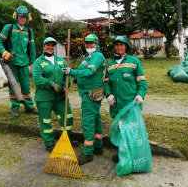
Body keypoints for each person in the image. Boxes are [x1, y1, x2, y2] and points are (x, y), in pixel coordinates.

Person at [62, 34, 106, 165]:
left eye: (91, 43)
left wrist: (72, 72)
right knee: (96, 117)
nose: (88, 45)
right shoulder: (88, 57)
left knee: (87, 122)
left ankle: (87, 152)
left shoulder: (97, 56)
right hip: (89, 92)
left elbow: (89, 72)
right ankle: (98, 145)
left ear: (96, 44)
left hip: (91, 93)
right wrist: (77, 78)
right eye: (87, 43)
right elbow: (84, 73)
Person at [104, 35, 148, 162]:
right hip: (116, 105)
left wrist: (140, 95)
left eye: (121, 45)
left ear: (126, 47)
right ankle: (122, 152)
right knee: (120, 129)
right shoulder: (110, 64)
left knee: (132, 129)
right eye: (116, 45)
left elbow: (142, 82)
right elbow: (107, 82)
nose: (119, 47)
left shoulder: (134, 61)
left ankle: (133, 154)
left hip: (130, 104)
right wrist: (109, 95)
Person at [33, 37, 75, 153]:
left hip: (60, 97)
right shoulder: (39, 62)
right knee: (46, 120)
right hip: (44, 97)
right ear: (44, 46)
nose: (50, 47)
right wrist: (52, 84)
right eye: (48, 45)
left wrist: (67, 84)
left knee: (68, 118)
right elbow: (37, 79)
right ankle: (49, 143)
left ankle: (65, 139)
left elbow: (67, 75)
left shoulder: (61, 61)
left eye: (52, 45)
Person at [0, 5, 37, 117]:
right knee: (13, 86)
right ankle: (15, 109)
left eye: (25, 16)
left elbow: (31, 48)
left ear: (28, 18)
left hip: (24, 63)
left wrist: (33, 62)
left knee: (26, 87)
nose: (23, 18)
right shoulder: (8, 28)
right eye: (20, 16)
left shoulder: (29, 31)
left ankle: (29, 107)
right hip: (12, 63)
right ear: (16, 16)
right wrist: (5, 53)